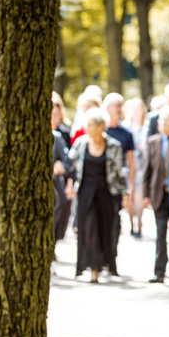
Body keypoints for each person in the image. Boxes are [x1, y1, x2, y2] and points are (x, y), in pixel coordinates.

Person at [69, 108, 128, 283]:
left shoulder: (114, 145)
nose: (87, 128)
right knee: (88, 228)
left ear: (101, 126)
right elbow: (71, 165)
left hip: (106, 193)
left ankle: (103, 264)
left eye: (90, 125)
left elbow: (119, 172)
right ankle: (91, 268)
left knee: (105, 229)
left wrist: (125, 195)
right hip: (85, 193)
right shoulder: (81, 143)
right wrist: (69, 184)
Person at [142, 106, 169, 283]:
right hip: (159, 194)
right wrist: (145, 195)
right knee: (160, 234)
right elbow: (147, 170)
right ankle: (159, 271)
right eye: (161, 121)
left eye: (166, 121)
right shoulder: (153, 141)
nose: (162, 124)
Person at [104, 93, 136, 259]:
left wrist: (131, 187)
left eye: (121, 105)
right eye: (116, 105)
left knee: (115, 221)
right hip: (101, 182)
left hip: (117, 184)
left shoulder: (126, 134)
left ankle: (112, 258)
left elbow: (131, 162)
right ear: (107, 107)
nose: (119, 109)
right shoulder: (101, 130)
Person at [51, 94, 75, 241]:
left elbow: (68, 160)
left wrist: (61, 166)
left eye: (56, 114)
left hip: (56, 186)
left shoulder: (58, 136)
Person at [124, 98, 148, 238]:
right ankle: (131, 223)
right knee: (130, 195)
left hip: (142, 166)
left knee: (139, 195)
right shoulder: (126, 128)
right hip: (128, 166)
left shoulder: (146, 128)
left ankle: (139, 224)